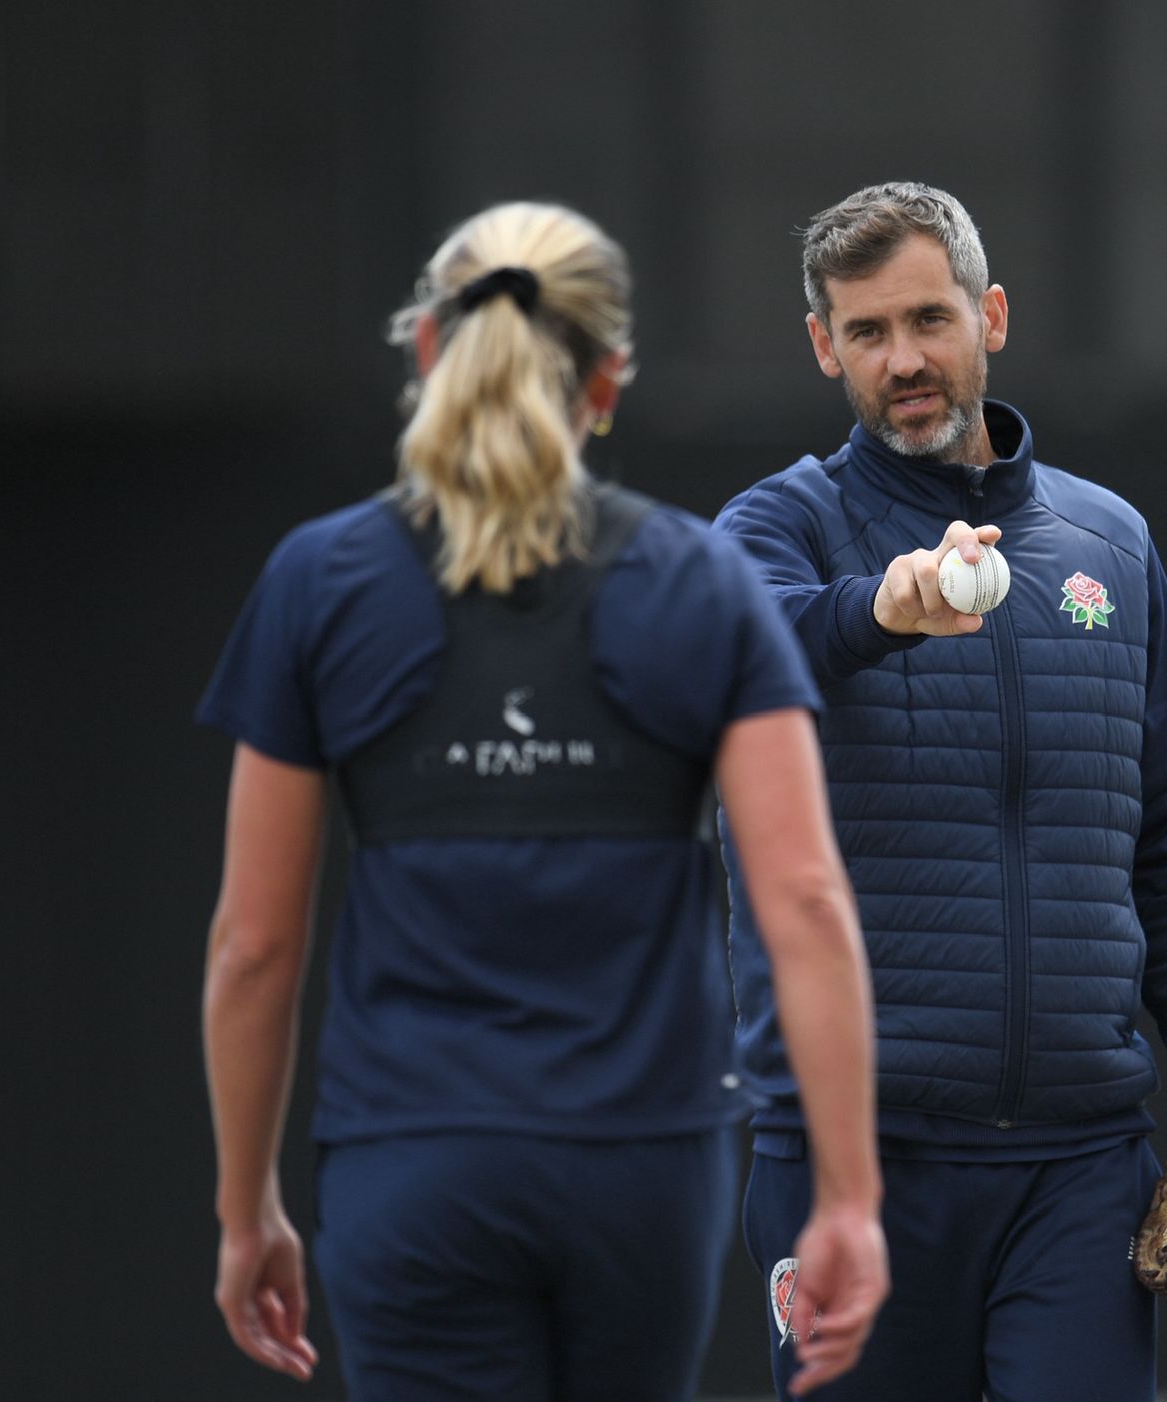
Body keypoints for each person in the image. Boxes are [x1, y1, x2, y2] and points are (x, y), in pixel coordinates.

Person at [197, 200, 887, 1401]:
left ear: (427, 348)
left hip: (409, 1169)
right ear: (607, 379)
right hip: (642, 1171)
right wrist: (847, 1200)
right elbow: (806, 904)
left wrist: (244, 1207)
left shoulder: (320, 581)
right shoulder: (701, 582)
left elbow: (253, 948)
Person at [712, 181, 1167, 1402]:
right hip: (851, 1159)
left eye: (928, 319)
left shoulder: (1109, 546)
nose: (902, 360)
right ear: (823, 347)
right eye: (865, 332)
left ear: (991, 315)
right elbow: (735, 655)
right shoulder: (777, 529)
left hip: (1079, 1164)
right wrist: (880, 608)